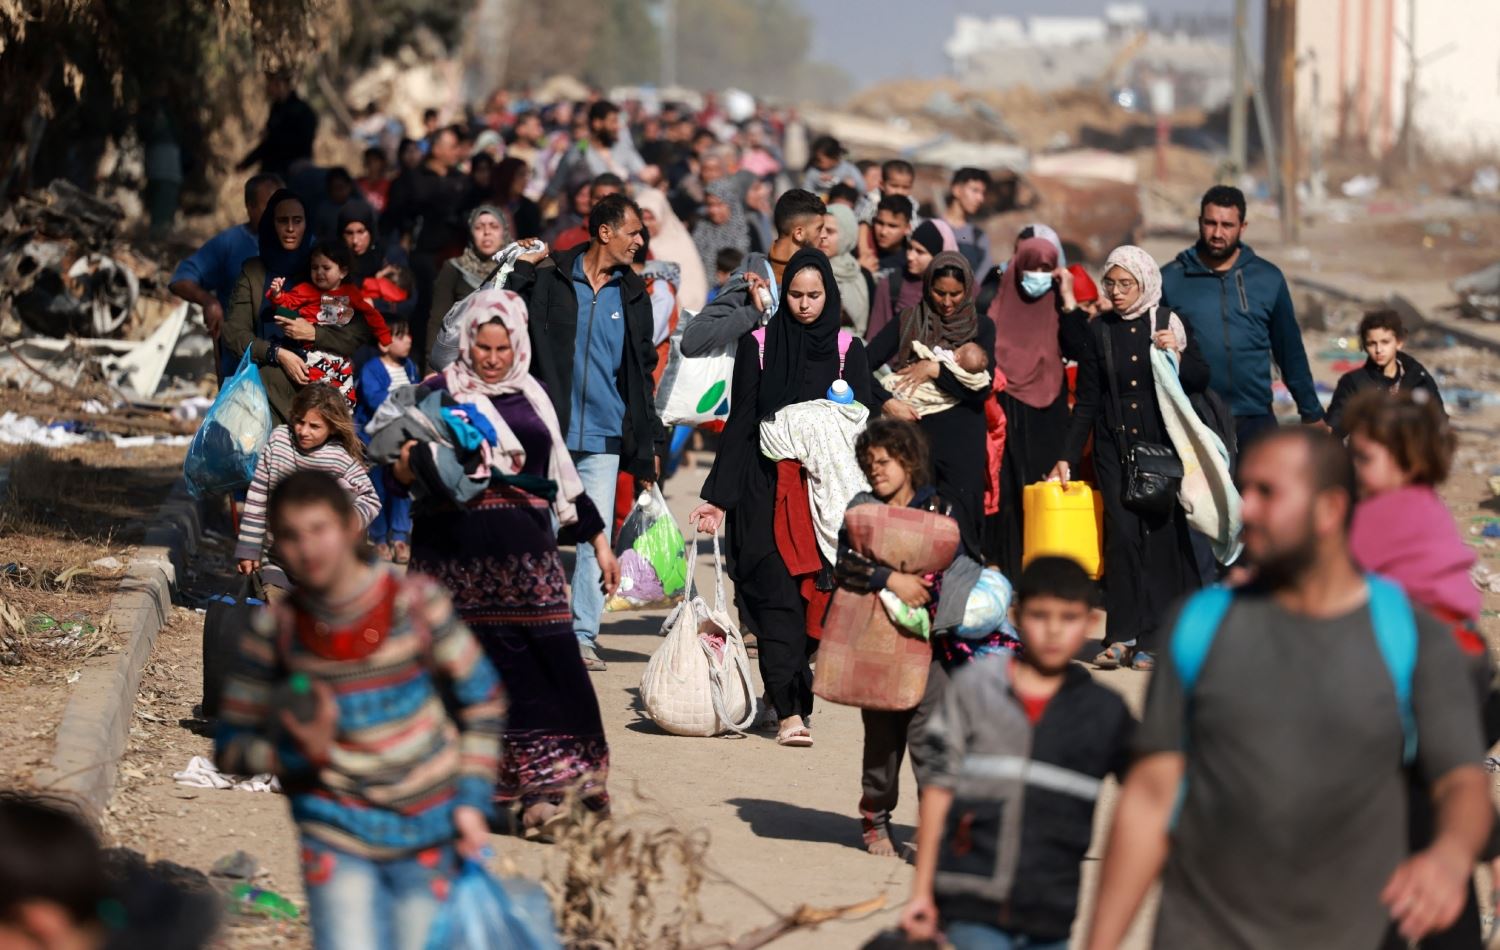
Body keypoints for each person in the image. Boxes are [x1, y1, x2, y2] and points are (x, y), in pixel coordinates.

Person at [1085, 428, 1493, 950]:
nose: (1246, 508)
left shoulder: (1412, 636)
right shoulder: (1201, 624)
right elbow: (1150, 796)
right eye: (1245, 488)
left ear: (1329, 509)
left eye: (1267, 492)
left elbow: (1461, 780)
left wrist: (1450, 856)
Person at [216, 471, 503, 950]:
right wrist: (292, 750)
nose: (308, 549)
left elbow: (483, 698)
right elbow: (231, 745)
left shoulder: (415, 604)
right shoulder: (277, 632)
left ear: (352, 526)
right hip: (335, 836)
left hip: (427, 830)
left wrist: (472, 800)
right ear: (276, 545)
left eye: (319, 529)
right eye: (290, 535)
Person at [395, 291, 618, 833]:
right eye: (483, 347)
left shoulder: (532, 394)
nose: (492, 359)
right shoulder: (436, 394)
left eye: (502, 348)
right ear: (467, 342)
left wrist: (599, 542)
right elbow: (396, 468)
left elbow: (562, 478)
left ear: (517, 344)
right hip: (453, 566)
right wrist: (412, 460)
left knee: (549, 671)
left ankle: (546, 790)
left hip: (527, 565)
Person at [689, 249, 876, 747]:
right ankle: (792, 712)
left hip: (824, 501)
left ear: (829, 295)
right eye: (795, 295)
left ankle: (781, 690)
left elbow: (864, 428)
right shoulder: (758, 346)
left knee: (816, 605)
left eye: (814, 295)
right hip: (764, 491)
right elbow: (741, 423)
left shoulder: (848, 350)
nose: (805, 304)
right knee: (776, 603)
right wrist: (719, 498)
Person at [901, 556, 1132, 950]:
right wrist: (921, 892)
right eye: (1040, 616)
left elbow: (1149, 794)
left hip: (1052, 911)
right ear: (1016, 617)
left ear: (1091, 623)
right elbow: (938, 790)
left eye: (1068, 617)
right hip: (971, 903)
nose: (1053, 630)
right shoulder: (973, 689)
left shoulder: (1105, 713)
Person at [508, 194, 665, 672]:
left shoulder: (633, 294)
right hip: (545, 432)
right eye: (633, 232)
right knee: (535, 532)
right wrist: (522, 268)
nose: (639, 240)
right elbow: (508, 316)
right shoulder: (550, 276)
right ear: (604, 232)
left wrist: (649, 444)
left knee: (593, 537)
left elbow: (641, 371)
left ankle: (582, 636)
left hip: (604, 436)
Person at [842, 418, 1010, 857]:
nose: (875, 469)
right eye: (869, 462)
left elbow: (964, 563)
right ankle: (875, 817)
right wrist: (890, 579)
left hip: (932, 646)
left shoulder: (941, 508)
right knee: (883, 741)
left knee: (932, 738)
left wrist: (961, 604)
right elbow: (844, 565)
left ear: (909, 461)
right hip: (878, 642)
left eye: (884, 461)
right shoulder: (862, 510)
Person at [1049, 246, 1208, 670]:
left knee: (1159, 540)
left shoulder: (1168, 322)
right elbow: (1087, 400)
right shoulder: (1099, 330)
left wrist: (1177, 354)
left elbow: (1200, 378)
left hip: (1161, 449)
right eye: (1111, 283)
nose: (1117, 292)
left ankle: (1154, 639)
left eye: (1126, 284)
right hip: (1114, 448)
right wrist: (1067, 455)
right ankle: (1121, 635)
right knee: (1121, 539)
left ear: (1145, 283)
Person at [1160, 185, 1325, 445]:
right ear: (1200, 222)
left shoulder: (1267, 278)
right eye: (1210, 223)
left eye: (1227, 225)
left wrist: (1311, 411)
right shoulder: (1171, 279)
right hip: (1195, 416)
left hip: (1255, 417)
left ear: (1242, 227)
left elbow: (1289, 350)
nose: (1217, 233)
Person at [869, 252, 994, 557]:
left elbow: (980, 390)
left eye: (956, 294)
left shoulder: (982, 327)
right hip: (916, 437)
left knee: (962, 524)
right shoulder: (908, 321)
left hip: (962, 444)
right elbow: (861, 365)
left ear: (968, 290)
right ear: (927, 288)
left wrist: (935, 369)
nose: (947, 302)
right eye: (939, 293)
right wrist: (887, 402)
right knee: (916, 521)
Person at [224, 189, 377, 425]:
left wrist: (314, 334)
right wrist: (277, 353)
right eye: (282, 220)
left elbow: (351, 333)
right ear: (270, 224)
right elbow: (234, 333)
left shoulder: (320, 270)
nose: (290, 228)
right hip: (264, 393)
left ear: (307, 224)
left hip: (320, 396)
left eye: (297, 220)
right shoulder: (254, 273)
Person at [988, 236, 1088, 578]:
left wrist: (1069, 298)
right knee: (1007, 498)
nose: (1038, 275)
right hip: (1004, 408)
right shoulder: (998, 298)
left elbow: (1079, 348)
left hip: (1048, 411)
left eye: (1047, 268)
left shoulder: (1058, 304)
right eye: (1033, 267)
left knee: (1045, 492)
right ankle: (1011, 578)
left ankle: (1047, 576)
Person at [235, 383, 380, 576]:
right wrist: (248, 548)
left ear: (332, 428)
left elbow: (371, 499)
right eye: (300, 422)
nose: (303, 431)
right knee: (273, 593)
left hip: (322, 566)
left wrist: (345, 522)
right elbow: (258, 495)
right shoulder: (279, 440)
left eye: (314, 426)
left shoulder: (339, 458)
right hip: (278, 559)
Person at [678, 189, 826, 358]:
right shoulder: (751, 280)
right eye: (819, 229)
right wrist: (752, 311)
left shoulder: (820, 276)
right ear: (799, 233)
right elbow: (692, 340)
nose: (824, 236)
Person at [170, 173, 283, 378]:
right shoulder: (230, 244)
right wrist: (208, 301)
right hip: (241, 363)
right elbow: (181, 280)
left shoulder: (302, 244)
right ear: (250, 207)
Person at [385, 126, 476, 361]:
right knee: (423, 312)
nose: (457, 151)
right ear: (436, 149)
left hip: (455, 258)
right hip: (420, 259)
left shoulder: (462, 181)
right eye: (452, 146)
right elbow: (394, 217)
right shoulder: (411, 180)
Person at [265, 243, 393, 405]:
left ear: (343, 272)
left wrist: (384, 336)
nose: (319, 272)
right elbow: (286, 303)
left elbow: (371, 314)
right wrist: (277, 295)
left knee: (346, 395)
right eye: (314, 267)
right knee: (320, 392)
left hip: (339, 353)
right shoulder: (305, 289)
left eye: (326, 268)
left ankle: (342, 415)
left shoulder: (351, 293)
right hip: (313, 352)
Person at [1327, 309, 1445, 437]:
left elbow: (1439, 423)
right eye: (1372, 343)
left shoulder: (1418, 378)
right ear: (1365, 346)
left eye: (1385, 342)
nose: (1379, 350)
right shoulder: (1354, 383)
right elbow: (1334, 428)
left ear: (1399, 342)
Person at [357, 319, 418, 563]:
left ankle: (400, 537)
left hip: (403, 439)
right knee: (378, 488)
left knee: (403, 487)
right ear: (384, 344)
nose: (409, 340)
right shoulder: (372, 368)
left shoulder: (410, 367)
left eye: (409, 335)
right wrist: (407, 398)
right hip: (376, 440)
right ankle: (380, 538)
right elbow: (375, 400)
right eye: (401, 336)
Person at [426, 205, 509, 362]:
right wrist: (432, 367)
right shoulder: (454, 268)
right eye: (479, 227)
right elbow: (438, 320)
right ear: (471, 233)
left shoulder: (514, 268)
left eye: (494, 226)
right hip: (461, 358)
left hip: (503, 358)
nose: (486, 232)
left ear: (504, 232)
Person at [867, 219, 952, 344]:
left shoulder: (959, 288)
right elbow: (875, 338)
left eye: (920, 252)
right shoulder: (890, 284)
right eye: (910, 248)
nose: (910, 256)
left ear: (938, 257)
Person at [545, 100, 643, 198]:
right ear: (597, 123)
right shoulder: (579, 151)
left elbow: (643, 177)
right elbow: (553, 189)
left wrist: (627, 189)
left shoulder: (623, 149)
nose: (617, 127)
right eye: (613, 122)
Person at [635, 185, 708, 312]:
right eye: (642, 219)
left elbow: (692, 288)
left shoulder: (679, 244)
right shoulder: (631, 245)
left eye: (651, 218)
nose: (646, 224)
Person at [338, 200, 414, 321]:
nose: (355, 240)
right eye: (349, 233)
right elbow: (325, 309)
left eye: (361, 232)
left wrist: (374, 304)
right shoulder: (333, 259)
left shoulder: (389, 255)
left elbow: (410, 303)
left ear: (370, 230)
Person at [236, 70, 317, 178]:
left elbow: (301, 143)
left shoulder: (303, 111)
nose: (269, 88)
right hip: (274, 168)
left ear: (281, 84)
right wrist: (246, 163)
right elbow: (268, 143)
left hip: (294, 168)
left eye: (272, 84)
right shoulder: (276, 109)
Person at [819, 204, 871, 336]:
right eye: (819, 229)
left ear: (847, 234)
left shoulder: (860, 275)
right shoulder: (808, 271)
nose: (822, 236)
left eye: (830, 231)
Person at [691, 176, 752, 279]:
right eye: (710, 205)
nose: (713, 210)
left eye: (719, 205)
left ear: (731, 204)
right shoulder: (701, 228)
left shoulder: (743, 231)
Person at [553, 174, 624, 252]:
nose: (605, 204)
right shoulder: (567, 239)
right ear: (590, 200)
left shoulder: (630, 239)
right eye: (599, 198)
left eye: (611, 199)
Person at [940, 167, 992, 274]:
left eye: (983, 193)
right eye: (975, 190)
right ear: (956, 190)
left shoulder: (978, 237)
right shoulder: (930, 227)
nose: (980, 199)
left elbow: (982, 277)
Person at [864, 194, 914, 284]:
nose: (883, 232)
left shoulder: (911, 261)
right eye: (880, 223)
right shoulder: (863, 251)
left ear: (907, 228)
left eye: (892, 226)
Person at [854, 158, 918, 225]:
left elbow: (913, 225)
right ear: (882, 184)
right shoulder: (871, 200)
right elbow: (861, 222)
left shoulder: (911, 203)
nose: (900, 191)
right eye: (894, 186)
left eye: (905, 187)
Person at [493, 156, 543, 240]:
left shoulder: (530, 208)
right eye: (520, 175)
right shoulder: (491, 206)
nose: (525, 180)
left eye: (526, 175)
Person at [355, 146, 391, 214]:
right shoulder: (358, 183)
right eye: (369, 160)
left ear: (382, 163)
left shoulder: (389, 185)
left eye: (375, 160)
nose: (372, 163)